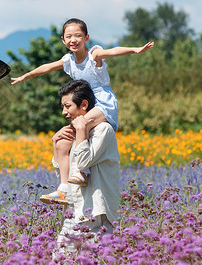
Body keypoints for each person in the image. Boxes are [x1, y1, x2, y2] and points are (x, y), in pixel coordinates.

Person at [11, 18, 153, 204]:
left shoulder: (93, 55)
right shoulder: (69, 61)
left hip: (103, 104)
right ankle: (64, 189)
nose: (73, 40)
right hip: (84, 107)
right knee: (61, 142)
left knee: (81, 123)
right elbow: (47, 67)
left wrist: (134, 50)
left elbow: (112, 51)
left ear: (86, 37)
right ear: (63, 40)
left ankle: (83, 170)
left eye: (78, 35)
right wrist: (27, 75)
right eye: (68, 36)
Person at [44, 80, 120, 250]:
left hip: (94, 215)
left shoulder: (103, 130)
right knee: (60, 259)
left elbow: (83, 162)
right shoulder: (76, 132)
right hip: (73, 211)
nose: (64, 112)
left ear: (84, 104)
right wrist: (56, 144)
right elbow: (64, 175)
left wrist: (80, 131)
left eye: (67, 106)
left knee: (93, 259)